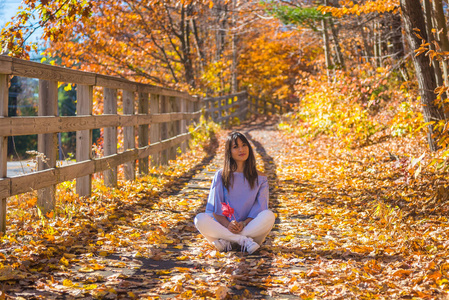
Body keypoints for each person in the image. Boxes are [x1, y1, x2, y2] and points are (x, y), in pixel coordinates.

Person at [194, 131, 275, 254]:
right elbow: (216, 209)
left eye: (244, 145)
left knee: (269, 215)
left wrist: (243, 223)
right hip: (225, 227)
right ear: (229, 153)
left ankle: (229, 241)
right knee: (199, 219)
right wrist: (228, 225)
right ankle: (242, 240)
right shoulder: (221, 176)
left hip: (250, 228)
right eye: (235, 147)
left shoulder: (261, 178)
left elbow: (260, 208)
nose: (241, 149)